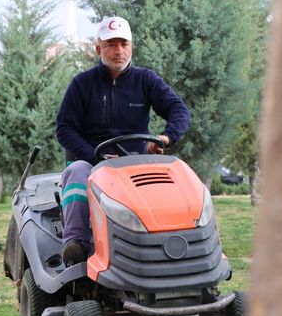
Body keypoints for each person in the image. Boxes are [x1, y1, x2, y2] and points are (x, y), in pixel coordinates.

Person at [55, 16, 190, 265]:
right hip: (92, 162)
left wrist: (165, 137)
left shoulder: (146, 80)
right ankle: (76, 244)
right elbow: (64, 129)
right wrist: (94, 155)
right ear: (98, 48)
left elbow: (178, 109)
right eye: (111, 44)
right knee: (76, 171)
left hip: (135, 163)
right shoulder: (81, 84)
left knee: (174, 176)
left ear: (132, 47)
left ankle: (172, 244)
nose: (118, 51)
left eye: (123, 44)